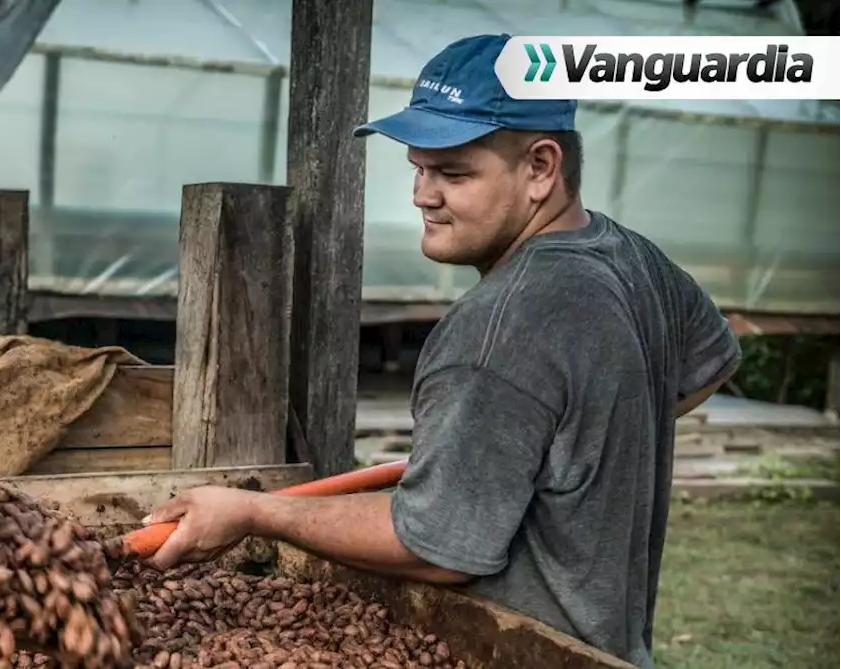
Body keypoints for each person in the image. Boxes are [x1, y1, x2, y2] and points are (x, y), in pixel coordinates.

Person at [139, 33, 742, 669]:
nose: (423, 196)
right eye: (420, 168)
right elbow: (713, 360)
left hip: (516, 651)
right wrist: (545, 449)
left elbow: (436, 549)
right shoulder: (630, 256)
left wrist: (252, 512)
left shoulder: (499, 327)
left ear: (541, 168)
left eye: (454, 173)